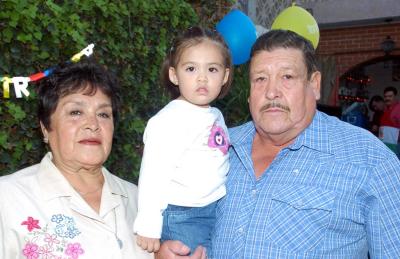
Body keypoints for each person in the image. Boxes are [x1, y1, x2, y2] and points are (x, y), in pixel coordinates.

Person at [157, 30, 400, 258]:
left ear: (314, 85)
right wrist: (163, 249)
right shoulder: (216, 146)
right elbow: (174, 214)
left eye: (287, 77)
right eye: (260, 79)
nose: (271, 91)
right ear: (249, 92)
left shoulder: (371, 161)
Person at [0, 60, 153, 259]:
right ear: (45, 128)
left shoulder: (139, 200)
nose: (93, 124)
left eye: (103, 114)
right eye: (76, 112)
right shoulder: (8, 199)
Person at [133, 26, 233, 256]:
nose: (202, 77)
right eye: (190, 68)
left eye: (212, 69)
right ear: (174, 75)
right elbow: (153, 173)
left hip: (212, 211)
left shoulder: (215, 115)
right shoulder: (169, 120)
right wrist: (148, 224)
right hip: (183, 216)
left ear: (225, 76)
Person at [379, 86, 400, 157]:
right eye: (385, 96)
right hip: (386, 146)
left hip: (395, 147)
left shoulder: (398, 109)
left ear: (395, 97)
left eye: (390, 96)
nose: (387, 98)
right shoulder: (386, 110)